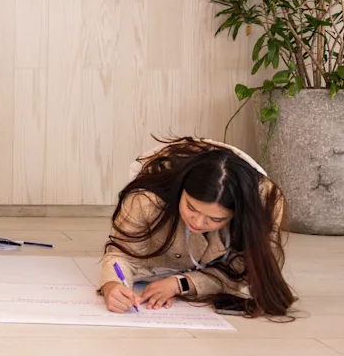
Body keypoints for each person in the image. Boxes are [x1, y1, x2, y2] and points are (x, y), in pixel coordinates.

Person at [100, 136, 296, 318]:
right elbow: (121, 255)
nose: (198, 222)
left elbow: (242, 271)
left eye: (216, 219)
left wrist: (181, 284)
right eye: (191, 207)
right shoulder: (146, 199)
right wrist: (112, 285)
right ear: (180, 190)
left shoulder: (265, 204)